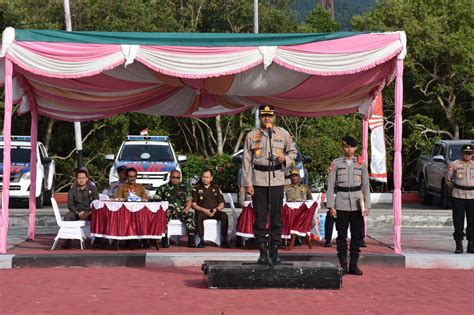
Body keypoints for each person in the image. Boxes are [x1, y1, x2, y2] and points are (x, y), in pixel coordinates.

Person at [242, 105, 297, 264]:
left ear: (274, 117)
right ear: (260, 118)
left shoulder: (283, 134)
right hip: (258, 181)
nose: (267, 119)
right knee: (260, 217)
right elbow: (246, 161)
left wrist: (285, 159)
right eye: (264, 116)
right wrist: (247, 183)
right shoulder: (252, 135)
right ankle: (262, 251)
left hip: (277, 181)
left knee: (276, 218)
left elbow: (293, 152)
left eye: (270, 116)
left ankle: (274, 251)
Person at [326, 135, 371, 275]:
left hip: (358, 204)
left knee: (357, 236)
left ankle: (353, 264)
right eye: (346, 146)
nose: (348, 149)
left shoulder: (361, 164)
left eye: (351, 147)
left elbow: (365, 186)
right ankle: (343, 264)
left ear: (355, 148)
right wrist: (331, 206)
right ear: (342, 148)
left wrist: (367, 205)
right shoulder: (336, 164)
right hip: (341, 203)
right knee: (341, 235)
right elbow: (330, 186)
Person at [154, 170, 196, 248]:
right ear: (170, 177)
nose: (175, 179)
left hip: (181, 211)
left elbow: (189, 200)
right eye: (173, 177)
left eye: (177, 178)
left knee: (190, 215)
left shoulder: (185, 187)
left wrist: (187, 208)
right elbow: (157, 201)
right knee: (162, 217)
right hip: (168, 211)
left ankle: (191, 240)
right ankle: (164, 240)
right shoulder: (163, 188)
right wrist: (163, 210)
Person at [192, 169, 230, 248]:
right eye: (203, 177)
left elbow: (222, 204)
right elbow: (194, 204)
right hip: (202, 212)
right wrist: (204, 210)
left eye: (207, 177)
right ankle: (201, 240)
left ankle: (224, 239)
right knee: (198, 216)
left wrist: (216, 209)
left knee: (224, 216)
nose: (205, 179)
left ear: (211, 178)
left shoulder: (216, 188)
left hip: (215, 211)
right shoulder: (196, 189)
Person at [447, 144, 474, 254]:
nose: (467, 155)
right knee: (458, 221)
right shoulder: (454, 164)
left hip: (473, 195)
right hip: (458, 195)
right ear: (461, 153)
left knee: (472, 221)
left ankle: (471, 244)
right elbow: (448, 180)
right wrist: (453, 191)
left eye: (470, 153)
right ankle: (459, 244)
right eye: (465, 153)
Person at [63, 167, 99, 248]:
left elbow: (96, 202)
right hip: (77, 212)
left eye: (83, 178)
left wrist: (89, 212)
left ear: (87, 179)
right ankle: (68, 240)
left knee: (98, 216)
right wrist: (77, 213)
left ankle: (98, 240)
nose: (81, 180)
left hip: (90, 212)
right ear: (76, 179)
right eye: (79, 178)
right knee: (67, 217)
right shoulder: (72, 190)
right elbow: (70, 204)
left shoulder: (93, 188)